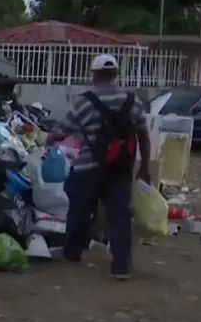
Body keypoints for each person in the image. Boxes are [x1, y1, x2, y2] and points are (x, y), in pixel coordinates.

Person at [47, 54, 151, 280]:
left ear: (93, 74)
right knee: (120, 215)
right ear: (116, 74)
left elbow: (63, 130)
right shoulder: (132, 100)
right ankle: (122, 265)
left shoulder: (83, 102)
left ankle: (73, 251)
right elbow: (143, 135)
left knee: (78, 206)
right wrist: (144, 167)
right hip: (120, 167)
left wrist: (50, 138)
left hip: (88, 167)